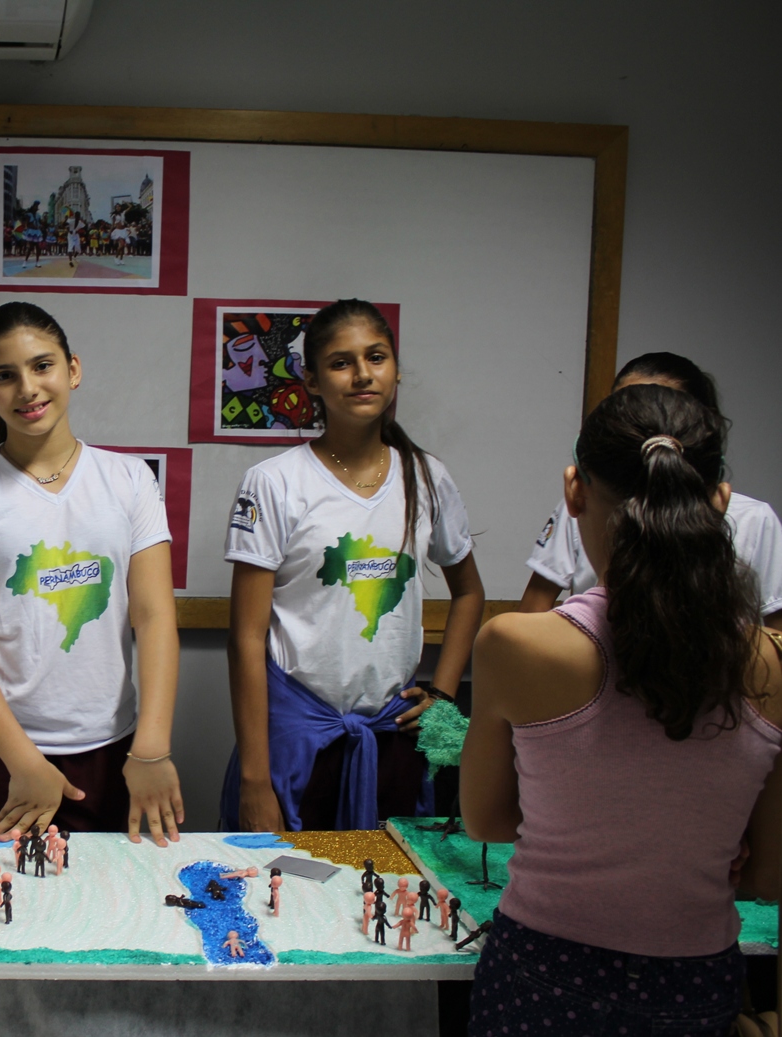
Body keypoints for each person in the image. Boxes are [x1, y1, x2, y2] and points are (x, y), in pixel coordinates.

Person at [461, 384, 782, 1036]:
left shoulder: (515, 643)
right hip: (691, 979)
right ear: (718, 499)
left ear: (573, 490)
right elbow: (767, 873)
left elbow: (486, 818)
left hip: (540, 971)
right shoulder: (770, 661)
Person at [0, 302, 184, 845]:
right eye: (5, 375)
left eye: (42, 366)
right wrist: (25, 763)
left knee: (110, 914)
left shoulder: (130, 479)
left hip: (114, 748)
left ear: (73, 370)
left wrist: (152, 747)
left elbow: (155, 615)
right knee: (2, 913)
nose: (27, 388)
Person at [221, 299, 484, 832]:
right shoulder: (275, 482)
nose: (363, 374)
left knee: (380, 899)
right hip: (297, 741)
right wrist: (255, 779)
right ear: (311, 381)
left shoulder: (427, 476)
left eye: (376, 357)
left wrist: (443, 694)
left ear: (395, 370)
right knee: (286, 898)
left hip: (393, 741)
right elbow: (246, 638)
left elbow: (470, 592)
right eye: (341, 362)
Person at [520, 351, 782, 628]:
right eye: (624, 409)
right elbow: (533, 610)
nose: (641, 421)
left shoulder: (755, 520)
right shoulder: (589, 500)